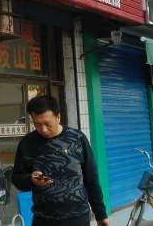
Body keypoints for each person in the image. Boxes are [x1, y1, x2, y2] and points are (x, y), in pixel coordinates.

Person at [12, 96, 108, 226]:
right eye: (37, 124)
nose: (43, 129)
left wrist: (100, 214)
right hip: (43, 219)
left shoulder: (77, 139)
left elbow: (91, 178)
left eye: (47, 124)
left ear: (58, 117)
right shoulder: (27, 143)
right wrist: (31, 179)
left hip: (77, 218)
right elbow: (17, 178)